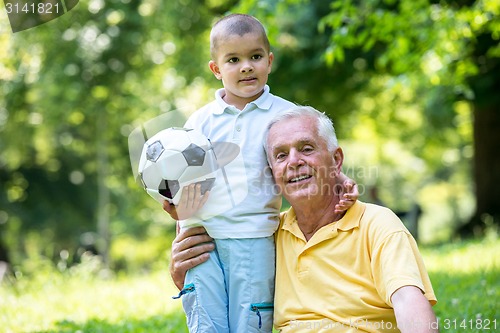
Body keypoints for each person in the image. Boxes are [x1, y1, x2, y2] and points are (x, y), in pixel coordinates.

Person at [162, 14, 358, 333]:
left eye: (255, 57)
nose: (246, 67)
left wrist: (341, 180)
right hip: (201, 236)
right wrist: (171, 201)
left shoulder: (284, 114)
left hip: (253, 237)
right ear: (216, 69)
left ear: (269, 60)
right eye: (233, 59)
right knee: (205, 320)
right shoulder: (200, 121)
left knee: (251, 320)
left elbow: (315, 153)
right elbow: (179, 172)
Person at [170, 106, 439, 332]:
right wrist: (182, 273)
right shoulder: (269, 236)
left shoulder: (376, 224)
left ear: (336, 160)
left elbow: (407, 299)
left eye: (306, 148)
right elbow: (231, 295)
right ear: (271, 172)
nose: (294, 162)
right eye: (281, 155)